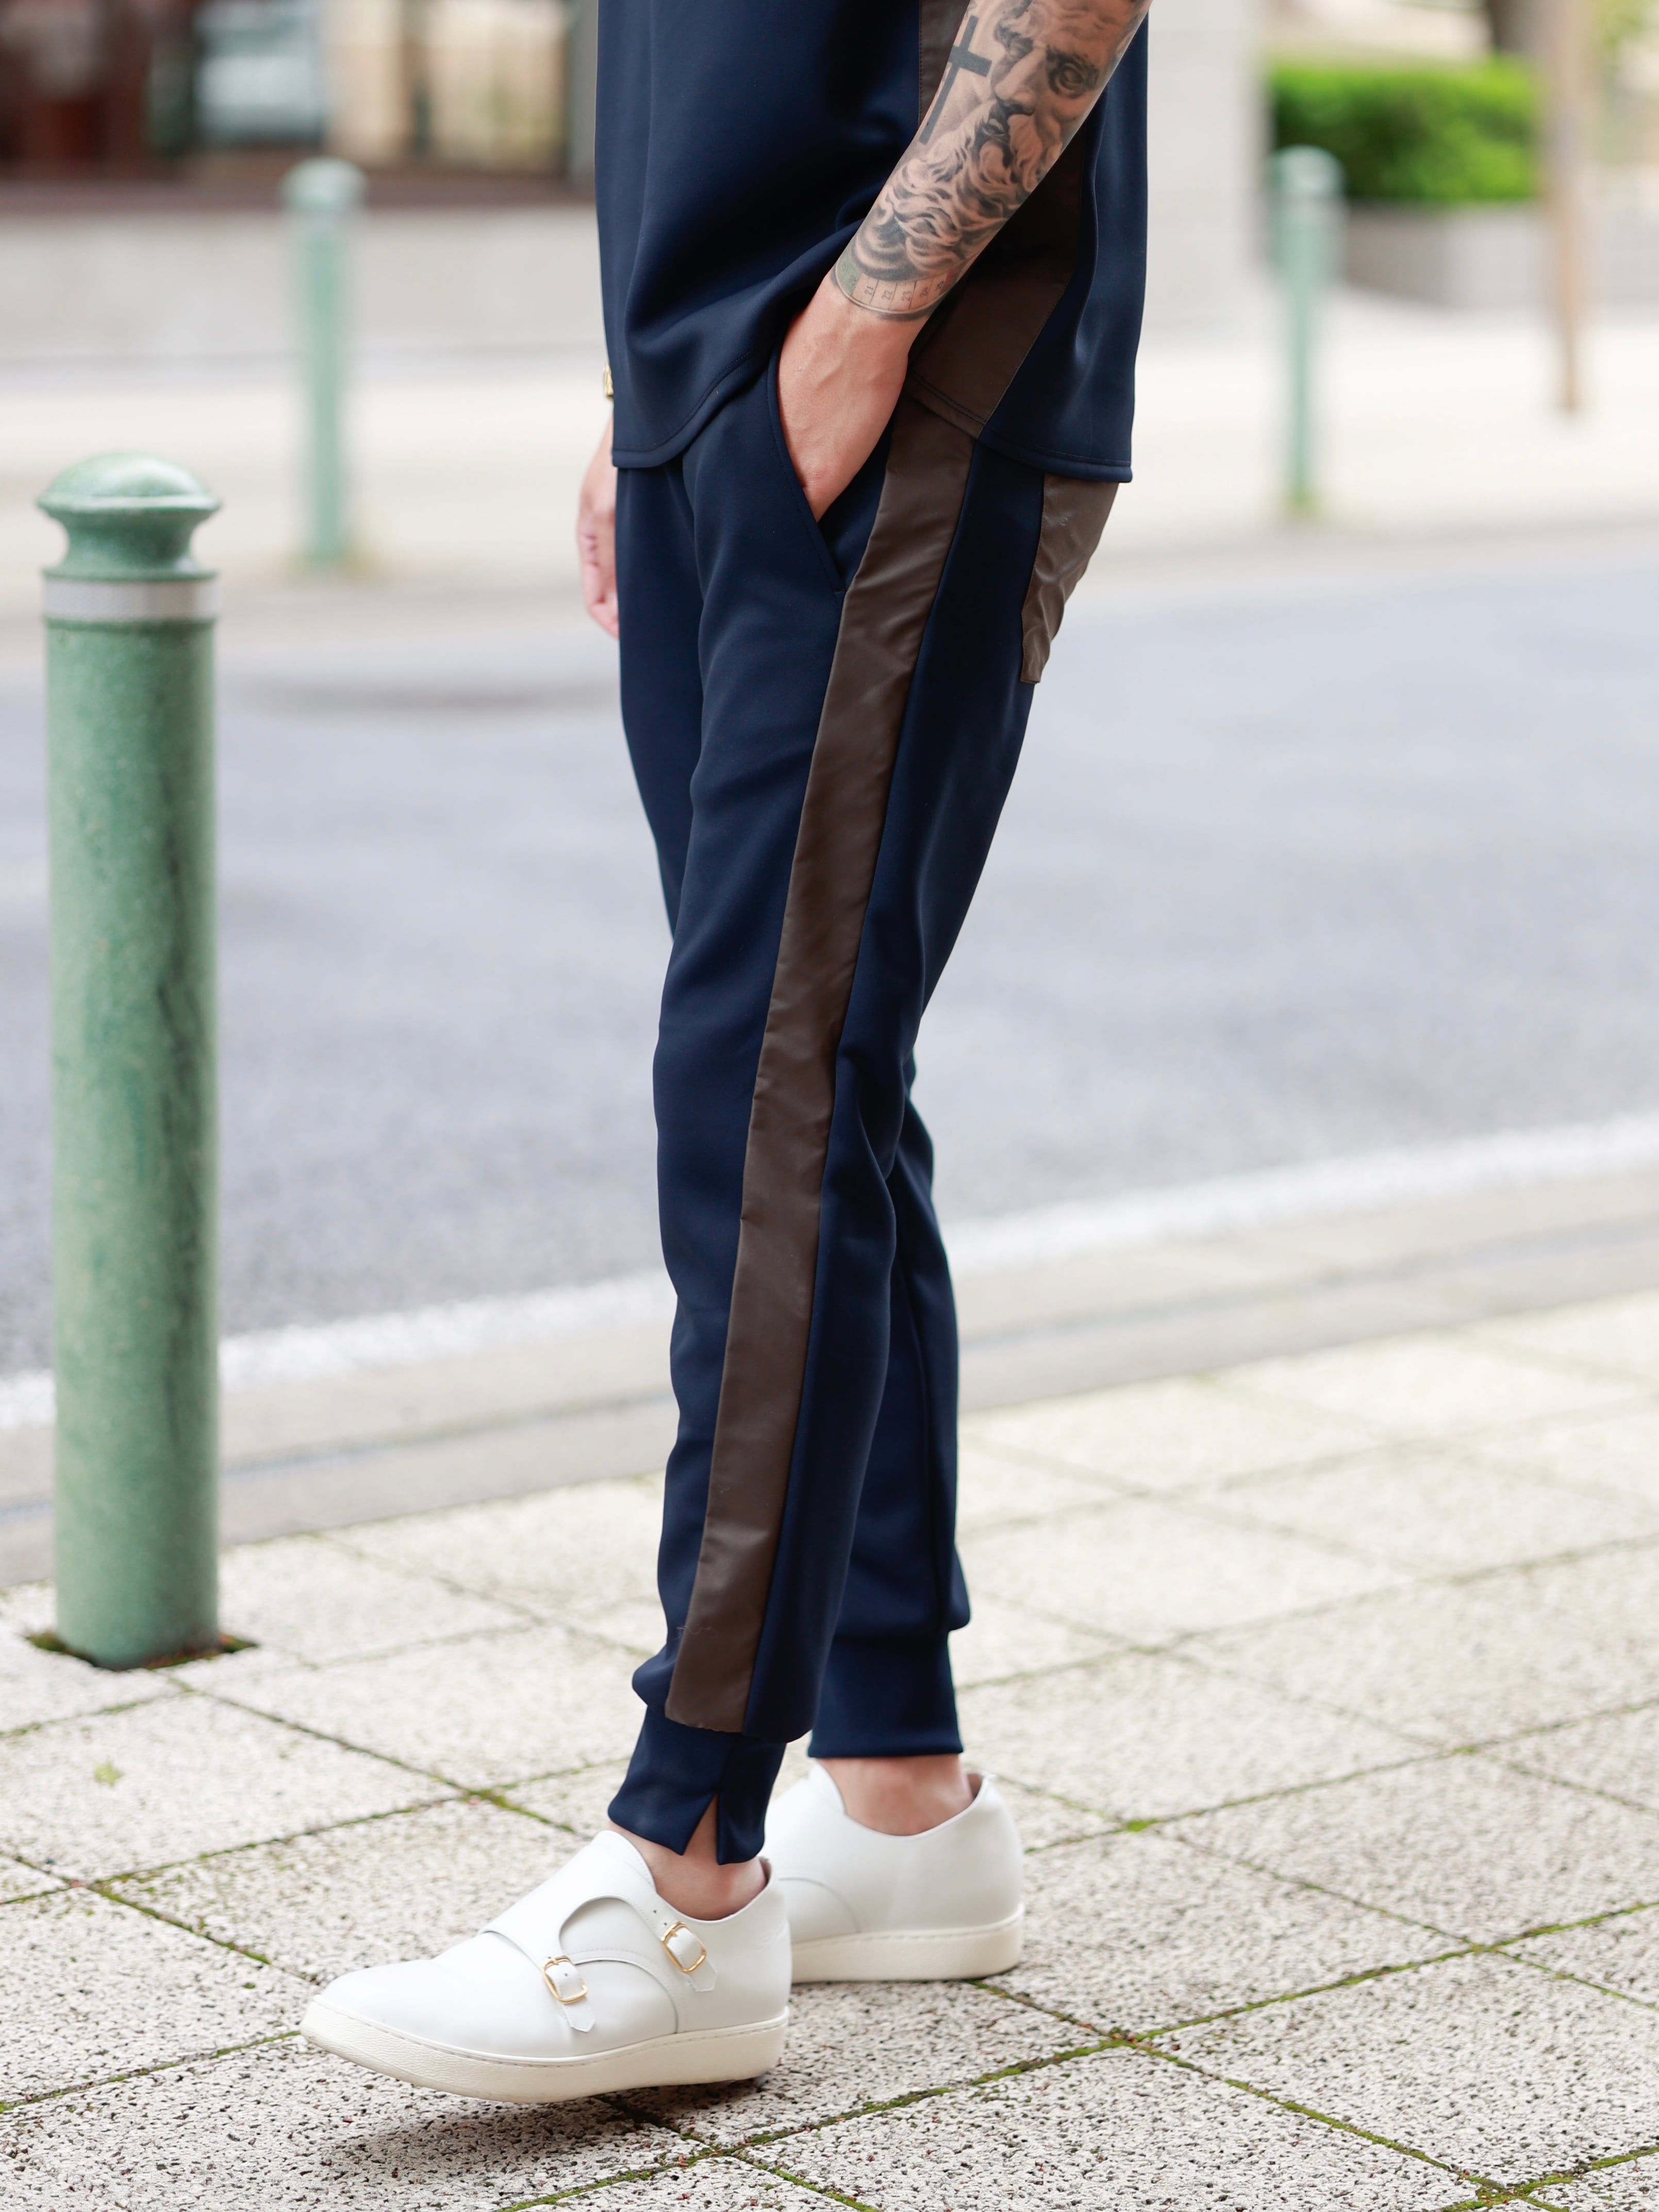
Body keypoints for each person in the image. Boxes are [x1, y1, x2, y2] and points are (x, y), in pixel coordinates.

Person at [303, 0, 1150, 2103]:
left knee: (764, 1088)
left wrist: (867, 318)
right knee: (820, 1075)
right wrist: (656, 387)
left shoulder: (881, 335)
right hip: (719, 372)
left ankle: (683, 1865)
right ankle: (899, 1791)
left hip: (897, 356)